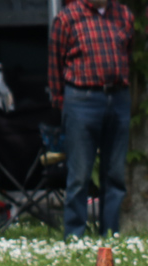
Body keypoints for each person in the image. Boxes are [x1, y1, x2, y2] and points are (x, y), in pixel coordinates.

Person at [47, 0, 134, 239]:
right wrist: (61, 103)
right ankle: (75, 237)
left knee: (115, 174)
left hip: (118, 96)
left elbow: (128, 54)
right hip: (81, 98)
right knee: (79, 175)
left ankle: (110, 235)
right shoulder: (67, 18)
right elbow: (54, 64)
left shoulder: (124, 15)